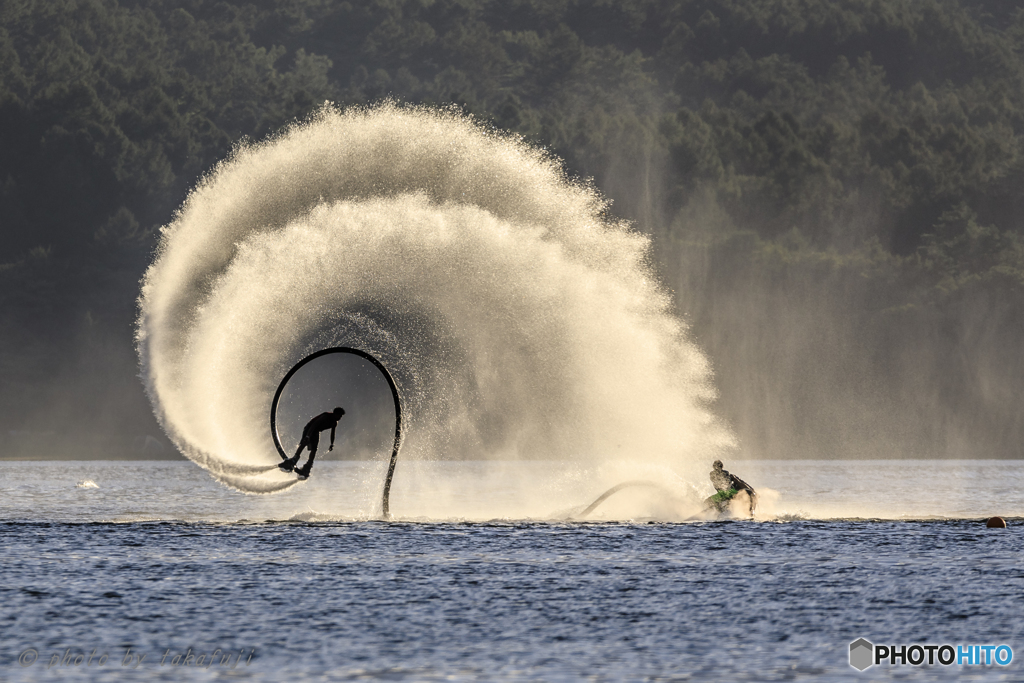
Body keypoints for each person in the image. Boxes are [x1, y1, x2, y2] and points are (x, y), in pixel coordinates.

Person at [279, 407, 345, 478]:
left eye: (341, 416)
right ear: (335, 414)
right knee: (304, 443)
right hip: (310, 428)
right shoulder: (325, 416)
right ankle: (294, 459)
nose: (340, 418)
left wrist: (332, 444)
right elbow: (314, 425)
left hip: (316, 432)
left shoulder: (334, 423)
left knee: (314, 449)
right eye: (339, 416)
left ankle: (308, 466)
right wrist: (307, 436)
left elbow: (332, 433)